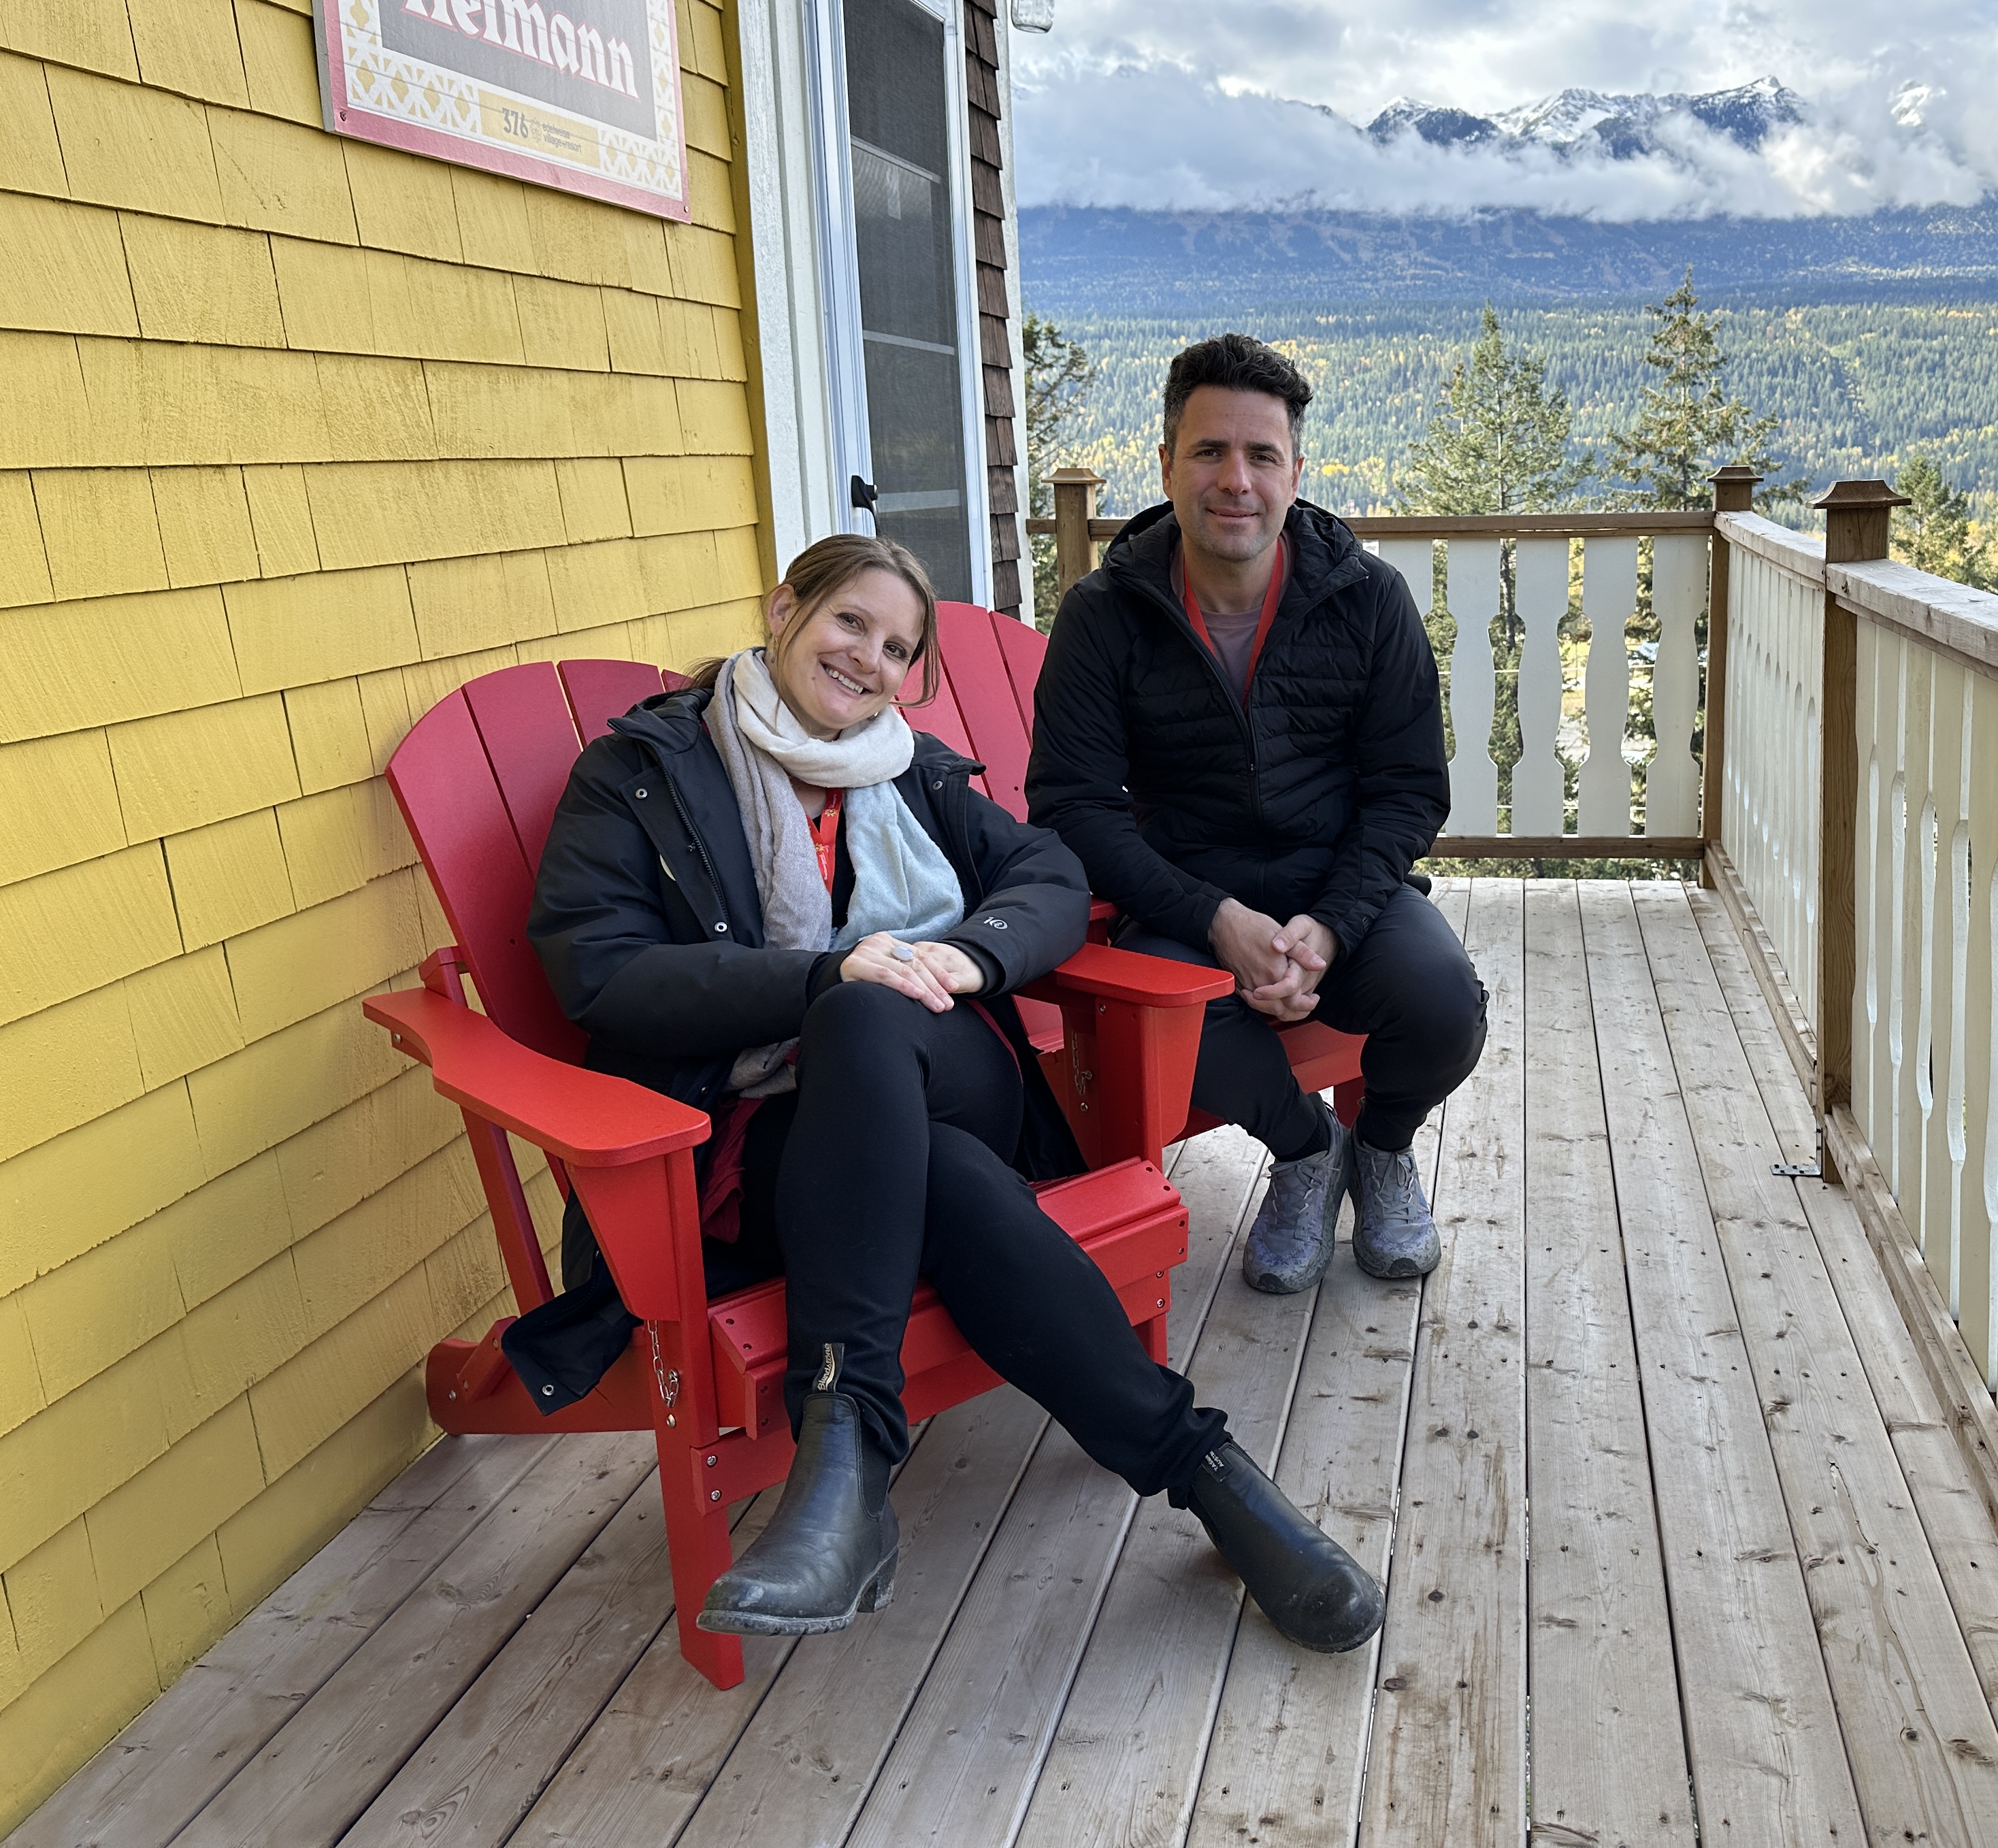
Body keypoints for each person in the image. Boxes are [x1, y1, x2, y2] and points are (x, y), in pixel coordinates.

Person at [522, 533, 1383, 1650]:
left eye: (896, 648)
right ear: (785, 609)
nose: (868, 659)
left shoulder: (911, 771)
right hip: (754, 1134)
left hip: (949, 1068)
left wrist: (971, 957)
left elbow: (1051, 876)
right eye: (848, 624)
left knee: (872, 1014)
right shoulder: (642, 775)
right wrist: (825, 972)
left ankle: (844, 1477)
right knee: (947, 1175)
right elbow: (602, 969)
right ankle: (1208, 1471)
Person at [1028, 333, 1488, 1294]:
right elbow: (1072, 804)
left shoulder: (1368, 600)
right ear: (1166, 465)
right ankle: (1307, 1148)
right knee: (1155, 1016)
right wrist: (1215, 920)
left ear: (1295, 473)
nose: (1235, 479)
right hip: (1190, 895)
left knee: (1446, 1004)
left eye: (1261, 455)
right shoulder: (1104, 615)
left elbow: (1407, 791)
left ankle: (1384, 1146)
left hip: (1341, 885)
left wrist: (1329, 925)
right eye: (1209, 452)